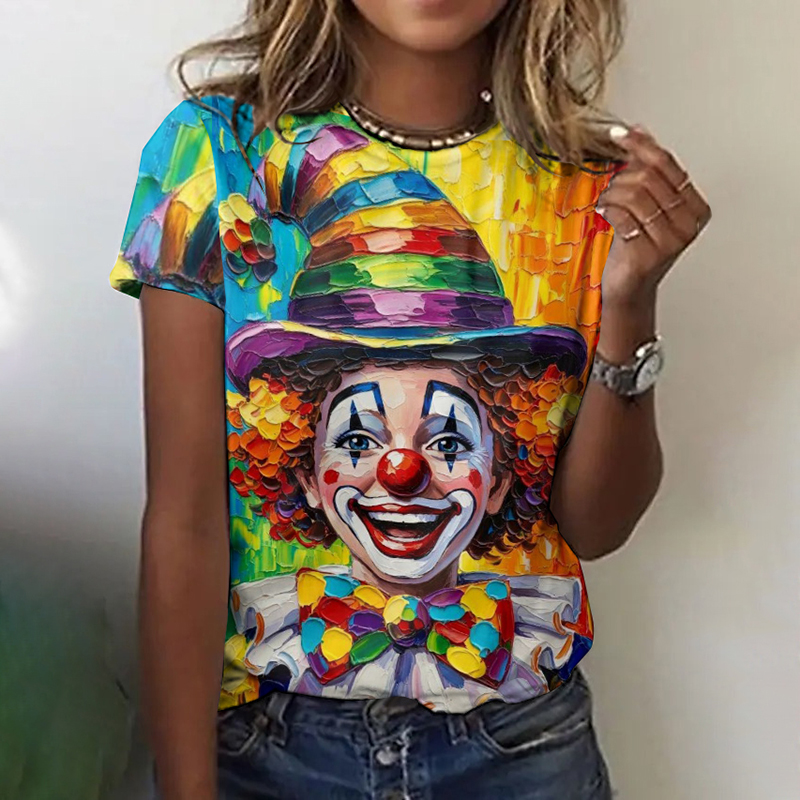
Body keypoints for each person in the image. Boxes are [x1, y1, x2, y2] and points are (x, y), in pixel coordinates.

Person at [109, 2, 711, 798]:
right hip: (265, 748)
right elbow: (184, 521)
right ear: (306, 468)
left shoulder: (589, 185)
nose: (402, 471)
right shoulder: (215, 153)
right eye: (358, 439)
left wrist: (631, 302)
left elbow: (596, 527)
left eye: (450, 441)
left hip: (520, 747)